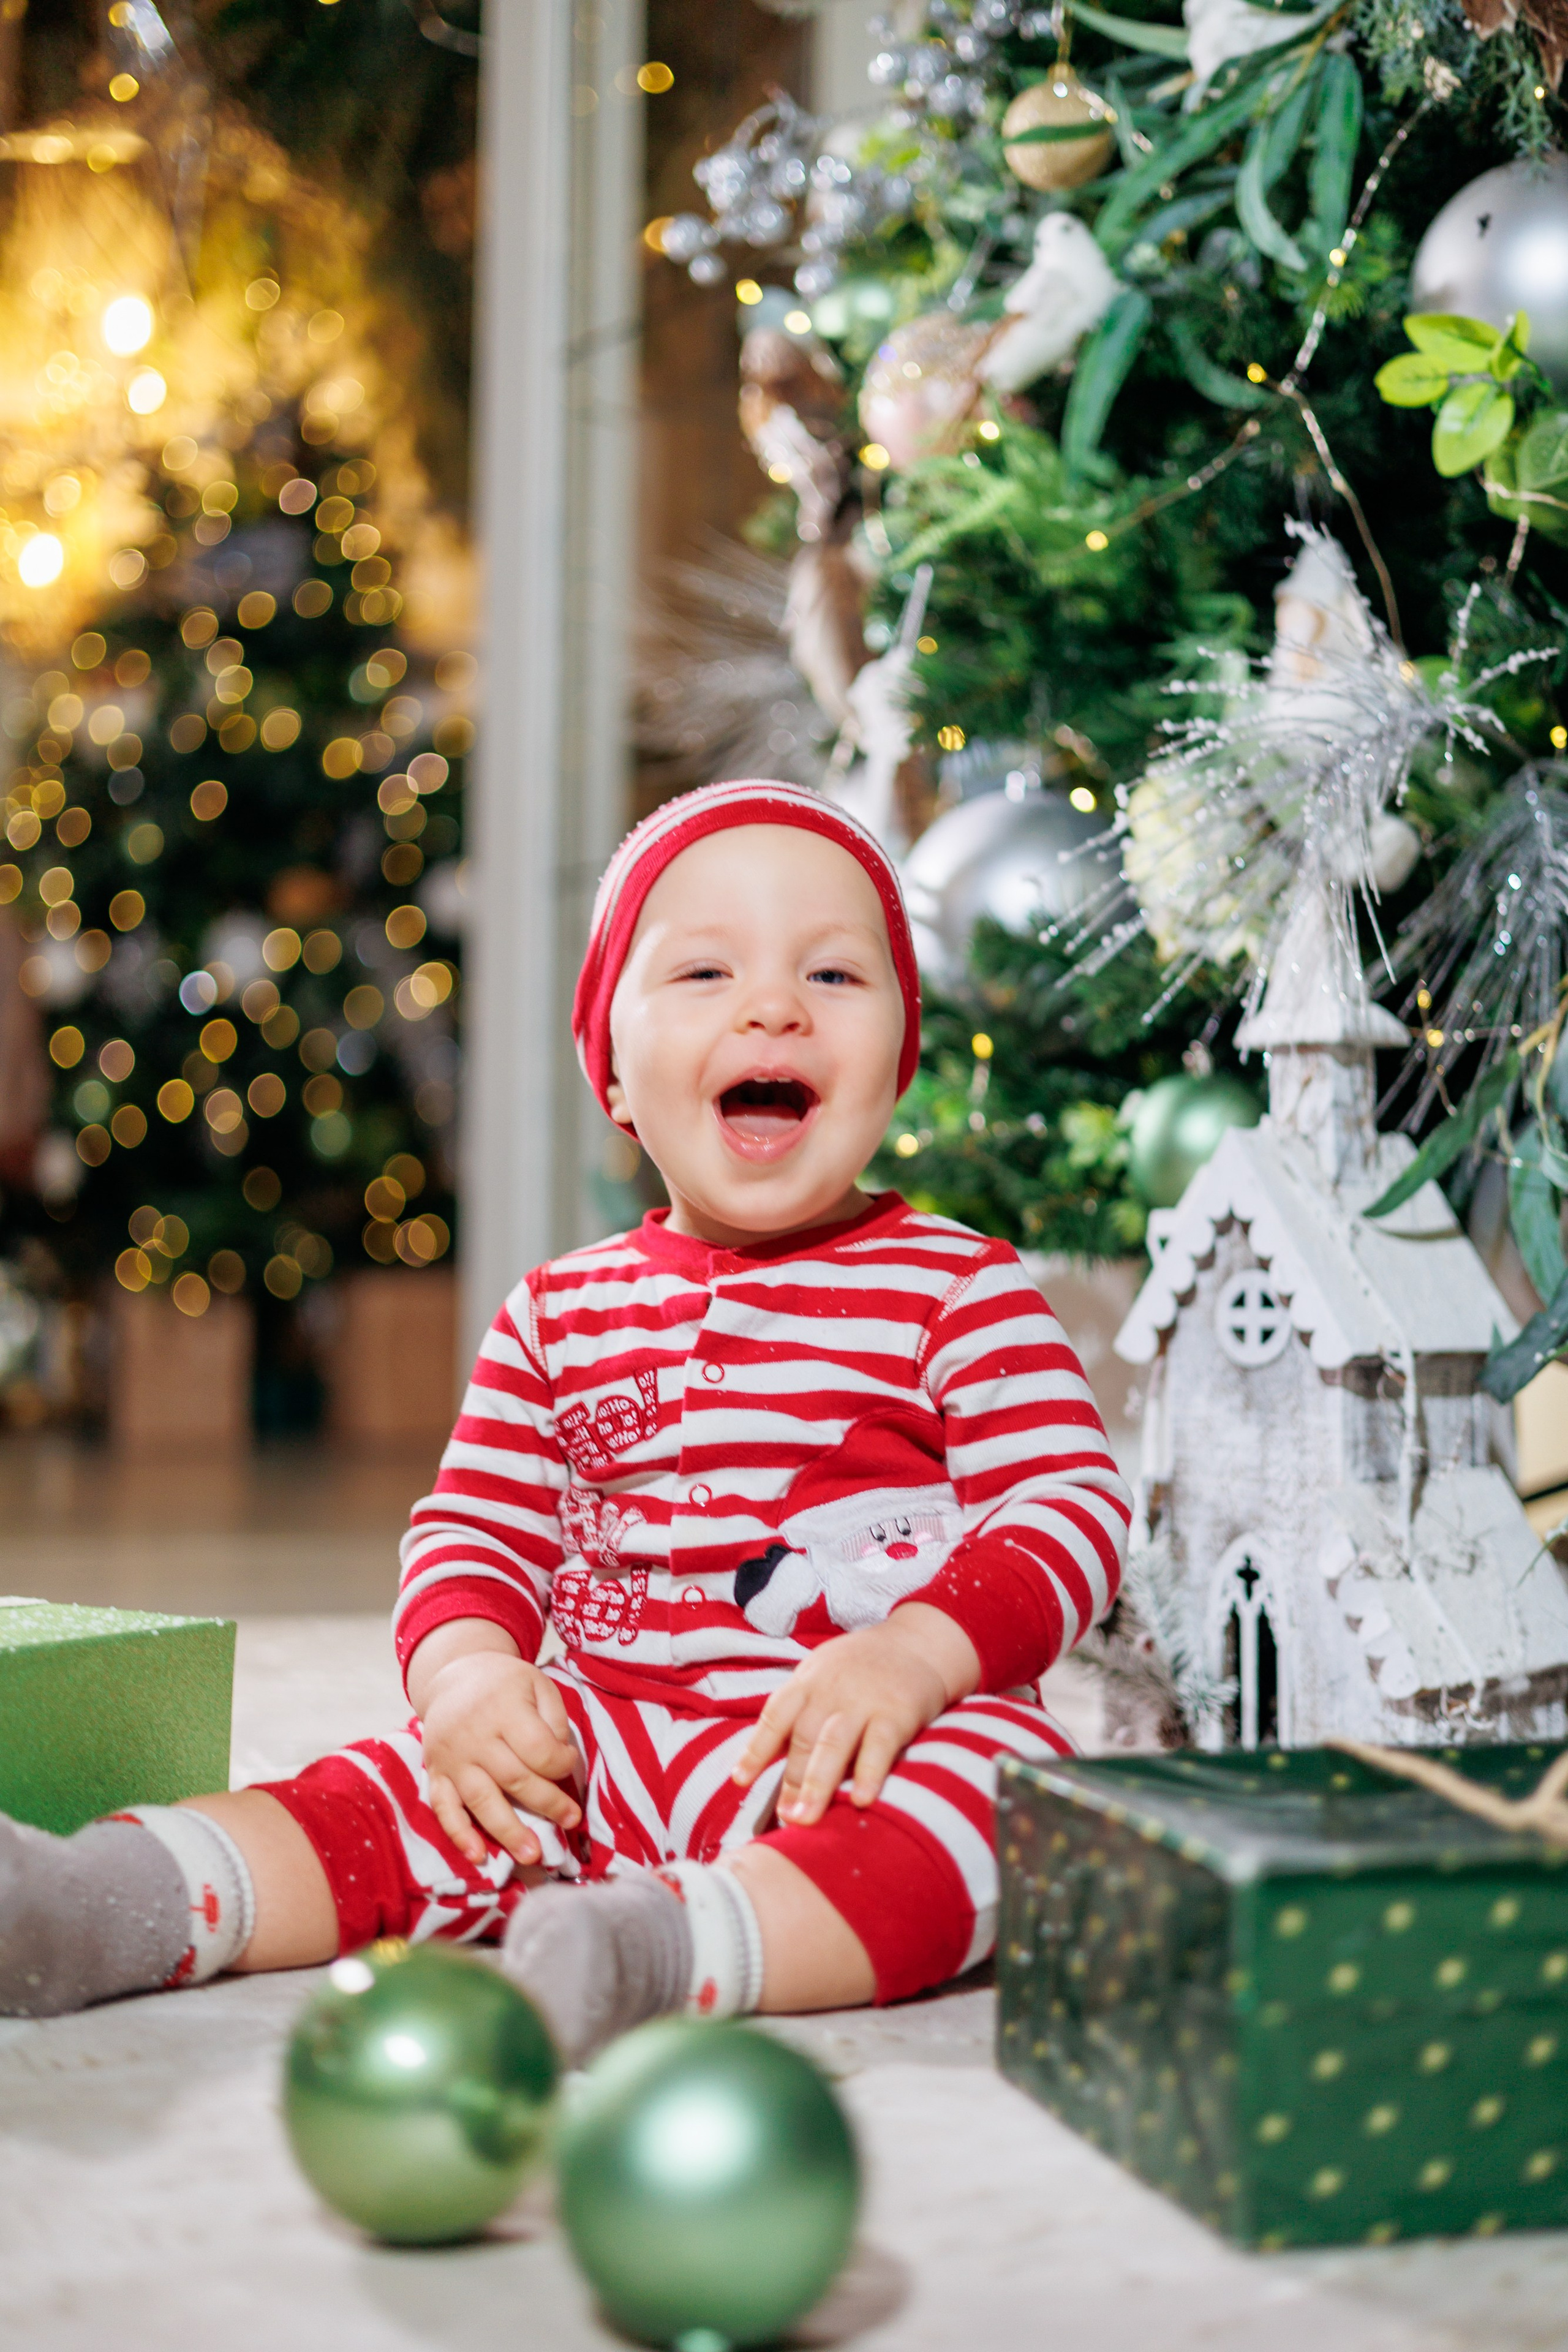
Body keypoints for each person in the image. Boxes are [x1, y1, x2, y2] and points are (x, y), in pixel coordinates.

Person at [0, 780, 1130, 2056]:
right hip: (589, 1742)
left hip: (849, 1744)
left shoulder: (955, 1286)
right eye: (704, 972)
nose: (774, 1006)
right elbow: (472, 1534)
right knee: (392, 1791)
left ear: (896, 1064)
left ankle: (664, 1947)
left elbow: (1066, 1508)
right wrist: (473, 1677)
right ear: (612, 1071)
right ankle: (105, 1903)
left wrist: (918, 1654)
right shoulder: (556, 1312)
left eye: (834, 975)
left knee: (997, 1806)